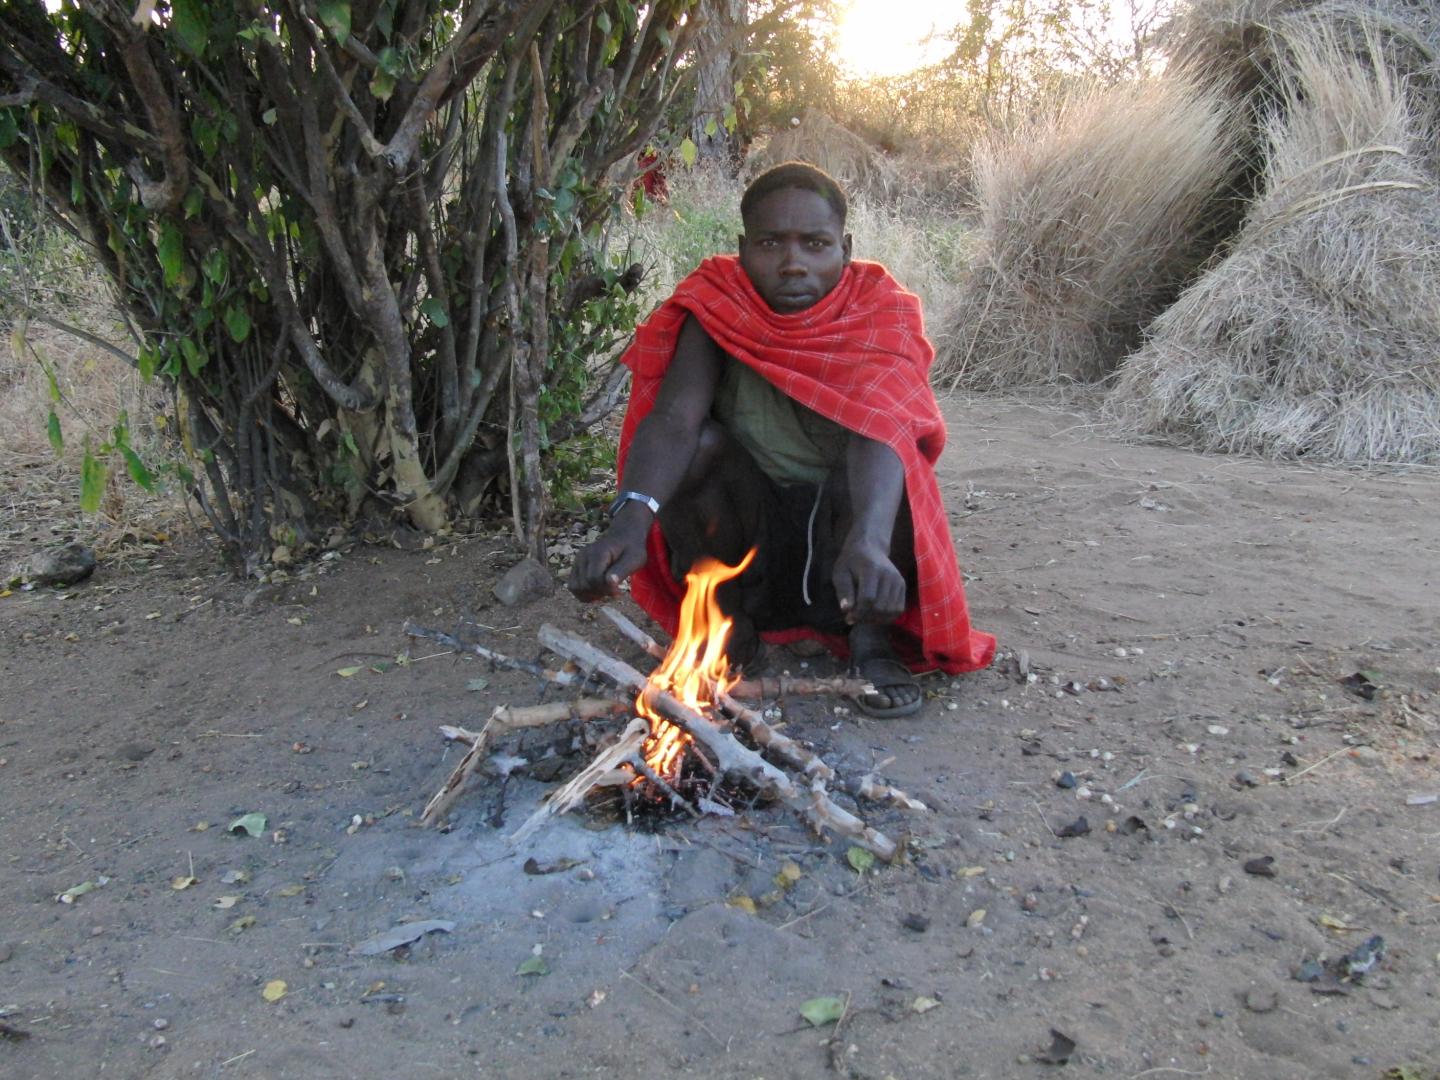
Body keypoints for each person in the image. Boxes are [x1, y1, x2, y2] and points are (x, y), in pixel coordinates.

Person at [569, 162, 995, 716]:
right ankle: (727, 622)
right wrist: (627, 520)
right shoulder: (717, 305)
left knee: (895, 462)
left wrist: (867, 540)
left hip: (849, 547)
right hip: (752, 540)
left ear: (845, 249)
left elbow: (885, 426)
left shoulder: (878, 311)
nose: (793, 264)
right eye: (771, 243)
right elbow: (674, 419)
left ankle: (869, 638)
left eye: (815, 244)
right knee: (698, 448)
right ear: (743, 249)